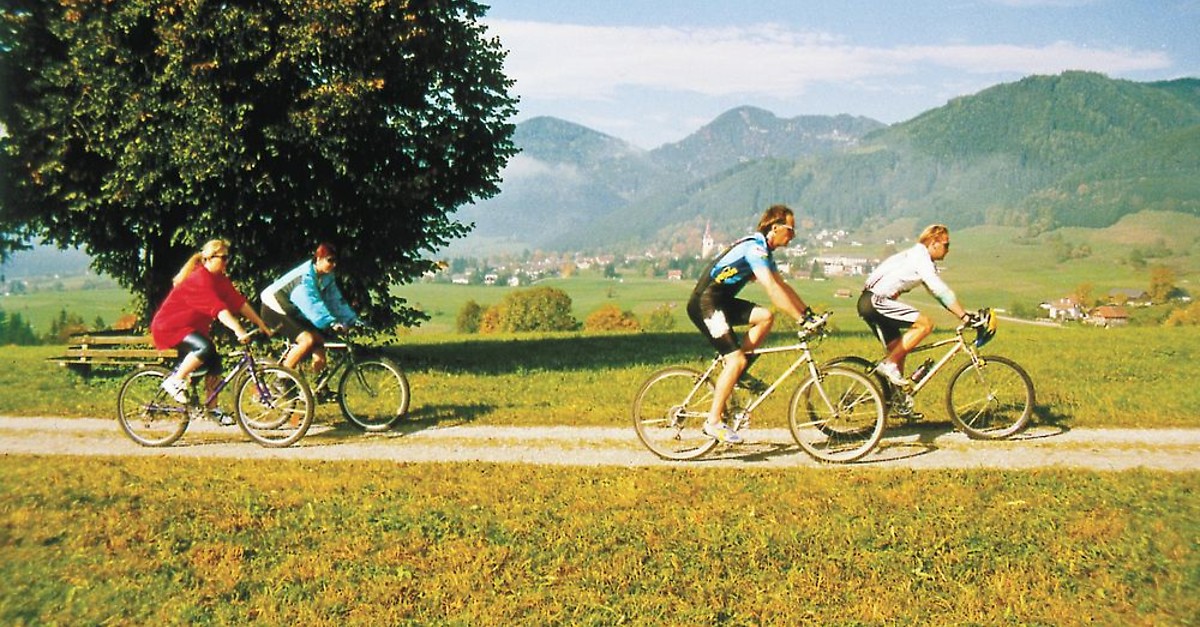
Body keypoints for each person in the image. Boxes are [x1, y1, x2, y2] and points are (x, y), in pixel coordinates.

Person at [687, 204, 812, 444]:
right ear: (775, 228)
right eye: (791, 230)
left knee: (765, 317)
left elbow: (783, 286)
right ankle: (713, 422)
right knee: (735, 359)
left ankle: (739, 374)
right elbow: (772, 288)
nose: (793, 236)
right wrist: (799, 319)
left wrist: (807, 313)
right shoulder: (754, 249)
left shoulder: (764, 250)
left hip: (721, 302)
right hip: (706, 303)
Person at [150, 239, 273, 424]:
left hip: (190, 327)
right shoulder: (199, 279)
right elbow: (219, 310)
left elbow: (238, 302)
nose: (226, 262)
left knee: (214, 360)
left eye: (227, 258)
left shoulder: (220, 280)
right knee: (205, 348)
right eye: (223, 258)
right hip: (169, 326)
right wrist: (239, 330)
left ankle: (212, 408)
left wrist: (261, 323)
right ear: (208, 258)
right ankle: (175, 380)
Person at [858, 223, 973, 393]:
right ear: (933, 242)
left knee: (899, 349)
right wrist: (964, 316)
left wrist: (962, 313)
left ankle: (896, 402)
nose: (948, 249)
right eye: (946, 244)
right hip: (877, 300)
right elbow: (939, 290)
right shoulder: (922, 258)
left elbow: (937, 295)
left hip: (869, 300)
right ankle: (888, 365)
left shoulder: (913, 255)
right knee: (925, 324)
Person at [260, 243, 362, 379]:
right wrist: (331, 323)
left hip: (291, 309)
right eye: (330, 260)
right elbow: (311, 305)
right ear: (318, 259)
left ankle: (319, 387)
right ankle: (281, 381)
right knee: (307, 340)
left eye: (336, 260)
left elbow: (335, 301)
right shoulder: (304, 279)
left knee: (319, 341)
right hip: (273, 308)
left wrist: (351, 319)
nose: (334, 264)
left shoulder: (326, 277)